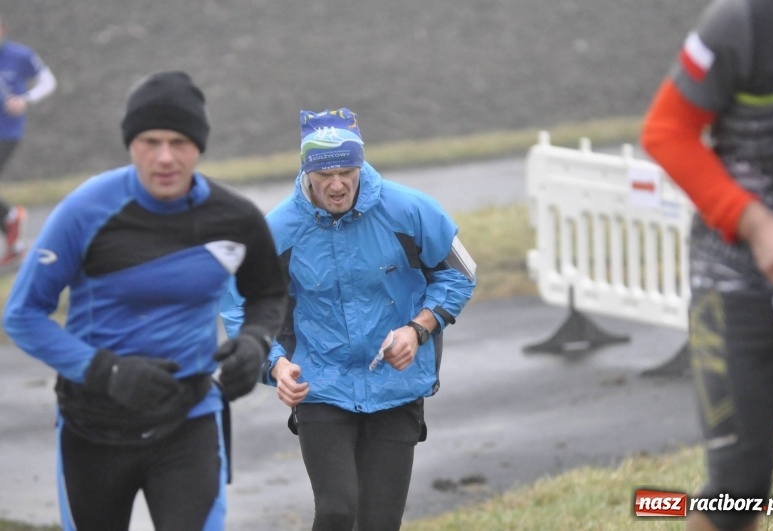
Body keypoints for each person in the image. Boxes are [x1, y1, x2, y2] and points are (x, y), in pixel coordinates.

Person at [2, 70, 287, 531]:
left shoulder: (234, 217)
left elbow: (268, 292)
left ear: (200, 145)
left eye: (179, 141)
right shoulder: (86, 210)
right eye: (150, 141)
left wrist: (254, 341)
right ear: (130, 143)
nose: (165, 157)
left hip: (189, 418)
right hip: (92, 425)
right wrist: (106, 371)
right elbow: (22, 315)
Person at [220, 108, 476, 531]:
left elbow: (461, 273)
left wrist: (419, 329)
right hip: (320, 384)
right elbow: (245, 306)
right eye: (325, 175)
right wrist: (276, 364)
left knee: (379, 523)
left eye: (346, 171)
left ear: (360, 164)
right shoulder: (277, 229)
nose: (337, 185)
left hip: (397, 384)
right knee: (338, 510)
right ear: (306, 171)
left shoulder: (410, 211)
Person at [640, 1, 773, 529]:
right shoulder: (747, 20)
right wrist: (757, 225)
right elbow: (666, 132)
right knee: (739, 489)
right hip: (736, 279)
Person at [0, 13, 57, 264]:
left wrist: (26, 99)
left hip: (6, 132)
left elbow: (48, 81)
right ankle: (14, 240)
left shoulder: (20, 55)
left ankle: (10, 218)